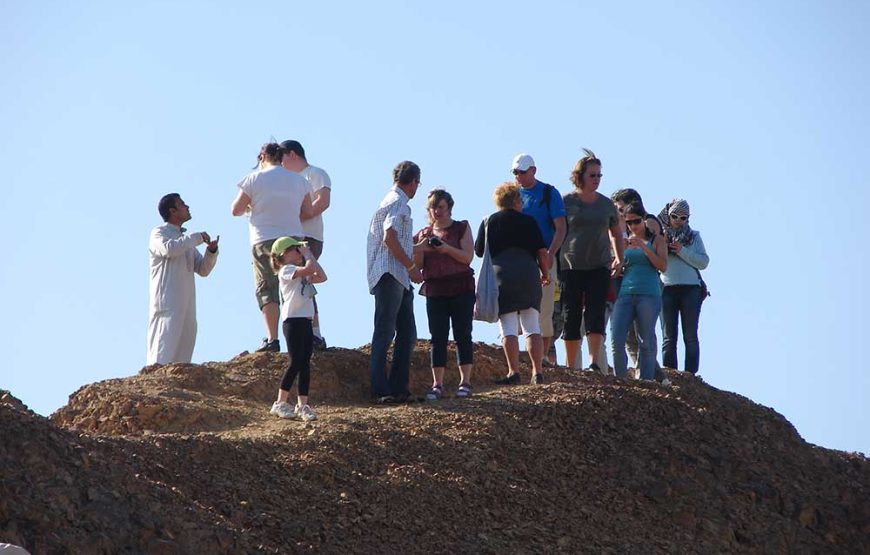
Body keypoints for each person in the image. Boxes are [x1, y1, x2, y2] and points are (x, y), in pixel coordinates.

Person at [231, 142, 314, 353]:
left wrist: (253, 206)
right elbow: (307, 210)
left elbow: (236, 209)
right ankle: (312, 336)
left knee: (267, 288)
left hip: (264, 239)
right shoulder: (299, 180)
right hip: (293, 237)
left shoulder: (254, 179)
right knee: (300, 287)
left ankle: (273, 339)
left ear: (262, 157)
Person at [475, 182, 550, 385]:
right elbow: (541, 252)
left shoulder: (489, 221)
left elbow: (480, 251)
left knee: (507, 326)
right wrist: (545, 273)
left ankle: (513, 372)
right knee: (532, 324)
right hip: (527, 274)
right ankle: (537, 372)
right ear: (516, 200)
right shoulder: (529, 221)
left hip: (502, 276)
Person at [560, 149, 624, 373]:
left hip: (599, 265)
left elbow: (616, 232)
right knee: (571, 313)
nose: (596, 179)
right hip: (570, 265)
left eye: (599, 175)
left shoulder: (606, 205)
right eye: (592, 175)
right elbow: (556, 230)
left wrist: (619, 257)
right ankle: (570, 365)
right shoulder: (566, 201)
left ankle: (594, 362)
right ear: (580, 176)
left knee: (596, 313)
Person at [366, 161, 424, 403]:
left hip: (394, 275)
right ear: (413, 182)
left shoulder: (389, 200)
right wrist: (411, 267)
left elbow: (392, 237)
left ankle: (398, 389)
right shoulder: (399, 203)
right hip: (392, 273)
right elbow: (390, 237)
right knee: (386, 331)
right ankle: (382, 390)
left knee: (407, 332)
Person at [413, 189, 476, 400]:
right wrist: (421, 248)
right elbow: (419, 266)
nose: (437, 211)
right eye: (433, 207)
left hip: (461, 286)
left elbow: (467, 257)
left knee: (462, 334)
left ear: (449, 207)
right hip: (435, 288)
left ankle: (465, 382)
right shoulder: (424, 234)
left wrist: (445, 248)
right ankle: (437, 384)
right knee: (437, 337)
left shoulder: (461, 227)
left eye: (440, 207)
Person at [147, 194, 219, 365]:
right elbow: (168, 249)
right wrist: (196, 238)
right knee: (165, 340)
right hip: (167, 300)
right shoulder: (159, 233)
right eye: (182, 204)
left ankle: (176, 382)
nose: (187, 207)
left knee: (186, 340)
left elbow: (202, 269)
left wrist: (211, 252)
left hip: (186, 302)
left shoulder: (184, 240)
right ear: (172, 211)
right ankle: (155, 381)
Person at [512, 154, 566, 368]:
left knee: (543, 307)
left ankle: (541, 358)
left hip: (543, 255)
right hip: (519, 258)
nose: (519, 176)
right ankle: (519, 357)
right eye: (515, 172)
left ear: (533, 170)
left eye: (522, 172)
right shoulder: (512, 193)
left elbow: (560, 227)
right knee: (516, 307)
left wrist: (551, 253)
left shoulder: (548, 193)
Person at [268, 237, 327, 421]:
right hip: (292, 321)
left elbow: (322, 276)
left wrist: (310, 258)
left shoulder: (301, 271)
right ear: (283, 254)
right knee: (295, 362)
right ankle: (280, 403)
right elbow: (309, 270)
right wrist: (309, 256)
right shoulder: (286, 270)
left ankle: (303, 405)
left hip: (305, 322)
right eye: (295, 249)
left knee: (305, 363)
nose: (299, 252)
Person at [280, 140, 331, 350]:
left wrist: (300, 216)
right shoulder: (288, 180)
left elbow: (323, 201)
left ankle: (315, 334)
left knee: (306, 281)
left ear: (292, 154)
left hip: (308, 236)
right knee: (296, 284)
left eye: (282, 158)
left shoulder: (315, 173)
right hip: (291, 237)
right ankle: (307, 334)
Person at [611, 203, 668, 380]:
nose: (633, 226)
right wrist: (619, 259)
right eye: (629, 223)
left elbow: (662, 266)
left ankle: (646, 379)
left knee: (646, 340)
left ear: (644, 219)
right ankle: (620, 378)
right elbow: (616, 269)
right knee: (617, 338)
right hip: (626, 292)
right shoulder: (624, 241)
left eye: (636, 221)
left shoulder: (656, 240)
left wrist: (643, 247)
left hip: (649, 293)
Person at [658, 199, 709, 375]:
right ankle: (670, 374)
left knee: (690, 335)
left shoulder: (694, 236)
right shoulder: (658, 236)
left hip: (690, 289)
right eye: (674, 216)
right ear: (668, 215)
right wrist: (664, 246)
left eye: (683, 217)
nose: (678, 220)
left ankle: (691, 375)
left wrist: (681, 250)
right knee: (669, 336)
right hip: (667, 287)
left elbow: (703, 262)